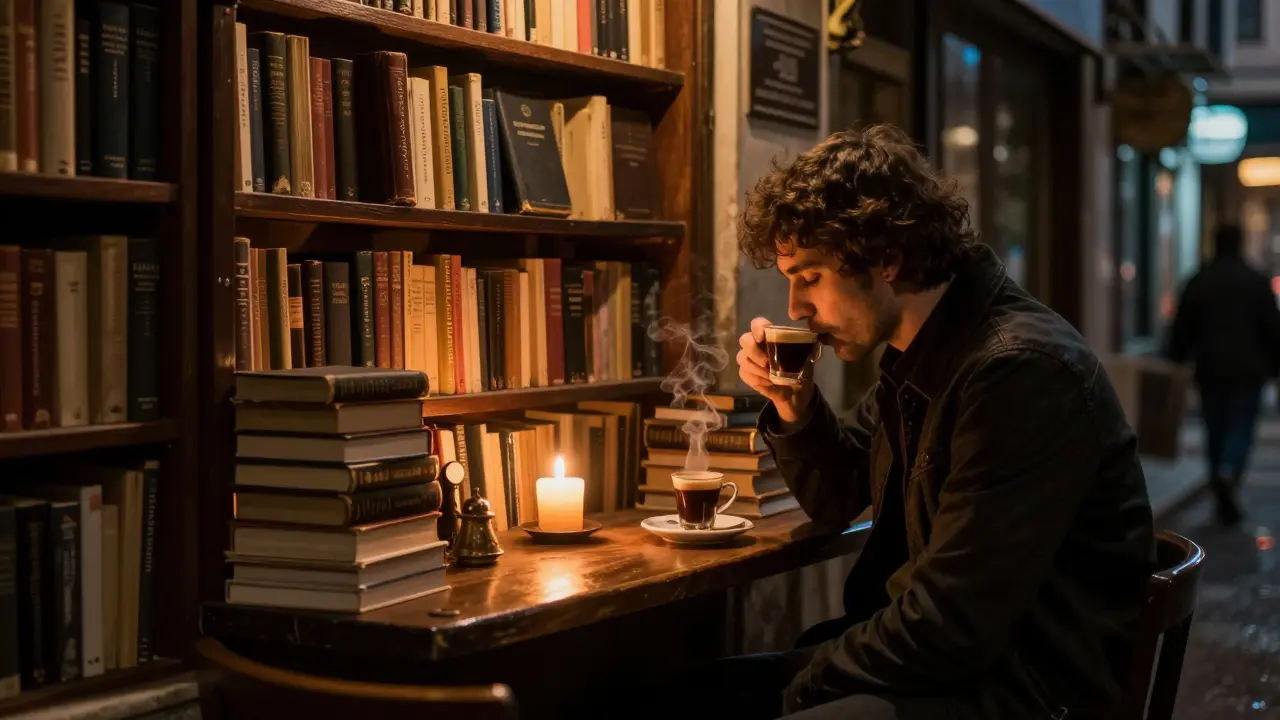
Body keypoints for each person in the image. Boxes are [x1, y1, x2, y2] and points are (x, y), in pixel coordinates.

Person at [726, 124, 1156, 719]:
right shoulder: (925, 353)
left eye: (810, 278)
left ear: (887, 259)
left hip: (1016, 694)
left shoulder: (1016, 370)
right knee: (667, 697)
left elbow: (951, 622)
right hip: (945, 670)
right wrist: (795, 405)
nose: (797, 309)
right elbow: (842, 493)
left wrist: (796, 687)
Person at [1167, 224, 1280, 525]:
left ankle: (1221, 478)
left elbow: (1182, 328)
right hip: (1248, 370)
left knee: (1215, 427)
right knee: (1240, 425)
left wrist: (1175, 359)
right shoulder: (1255, 282)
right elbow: (1272, 328)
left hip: (1211, 368)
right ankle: (1229, 470)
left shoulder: (1200, 280)